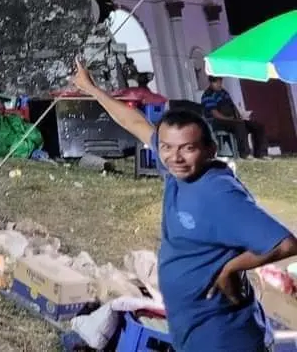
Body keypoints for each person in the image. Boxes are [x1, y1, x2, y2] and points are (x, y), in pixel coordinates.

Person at [70, 58, 297, 352]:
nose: (175, 157)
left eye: (187, 148)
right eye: (166, 147)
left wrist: (229, 269)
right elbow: (133, 121)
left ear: (209, 150)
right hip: (192, 328)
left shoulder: (217, 193)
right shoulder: (177, 170)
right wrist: (91, 88)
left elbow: (285, 244)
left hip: (224, 337)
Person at [202, 76, 268, 159]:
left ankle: (261, 153)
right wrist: (230, 119)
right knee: (239, 125)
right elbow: (215, 114)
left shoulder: (223, 92)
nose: (219, 84)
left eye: (220, 82)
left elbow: (232, 105)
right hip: (218, 122)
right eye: (216, 83)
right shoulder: (208, 95)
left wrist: (239, 115)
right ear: (211, 83)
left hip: (232, 119)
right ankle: (245, 154)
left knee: (258, 126)